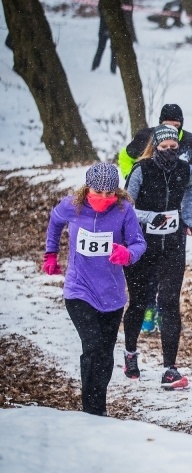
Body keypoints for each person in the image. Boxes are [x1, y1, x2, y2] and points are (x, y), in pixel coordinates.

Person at [43, 163, 146, 416]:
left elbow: (138, 243)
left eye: (109, 193)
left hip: (112, 294)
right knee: (92, 346)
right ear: (87, 188)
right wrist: (51, 254)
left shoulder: (124, 211)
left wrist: (127, 254)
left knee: (105, 353)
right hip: (79, 289)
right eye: (97, 193)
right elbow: (55, 222)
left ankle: (98, 406)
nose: (103, 198)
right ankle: (91, 409)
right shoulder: (72, 205)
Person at [122, 125, 192, 390]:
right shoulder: (141, 170)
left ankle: (170, 369)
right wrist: (149, 217)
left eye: (173, 148)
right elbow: (126, 206)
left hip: (173, 246)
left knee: (169, 303)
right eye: (164, 149)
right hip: (141, 244)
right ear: (155, 148)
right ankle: (130, 353)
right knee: (140, 301)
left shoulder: (185, 170)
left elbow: (189, 193)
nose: (169, 153)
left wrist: (186, 220)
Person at [119, 104, 192, 198]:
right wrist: (132, 179)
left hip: (177, 201)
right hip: (147, 197)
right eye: (167, 125)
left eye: (176, 125)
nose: (171, 129)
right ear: (160, 123)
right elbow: (125, 157)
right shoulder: (145, 137)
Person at [91, 0, 135, 74]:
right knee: (101, 48)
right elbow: (102, 12)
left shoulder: (116, 3)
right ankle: (95, 66)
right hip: (105, 28)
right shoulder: (105, 4)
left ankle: (113, 69)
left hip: (114, 28)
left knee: (113, 49)